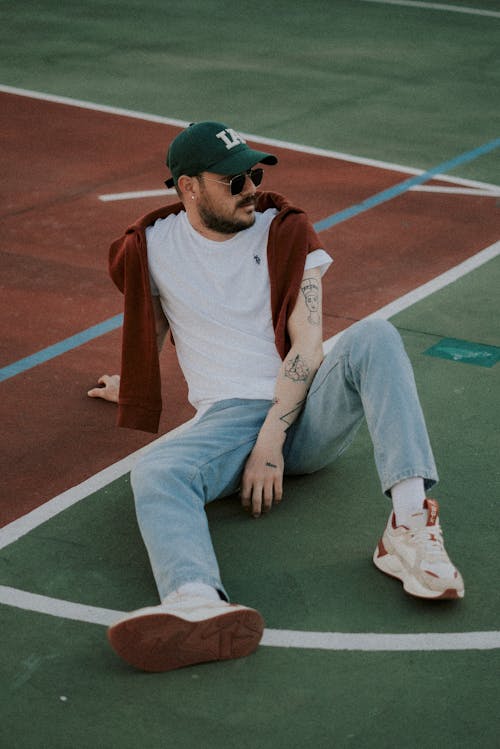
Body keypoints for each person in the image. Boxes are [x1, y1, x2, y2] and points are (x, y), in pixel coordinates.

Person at [88, 121, 464, 673]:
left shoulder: (285, 231)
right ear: (189, 187)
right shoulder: (153, 247)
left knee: (374, 335)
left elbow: (309, 346)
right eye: (233, 180)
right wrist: (135, 382)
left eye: (254, 174)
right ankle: (195, 600)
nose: (250, 188)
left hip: (306, 412)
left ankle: (407, 527)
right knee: (155, 472)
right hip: (229, 417)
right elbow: (156, 322)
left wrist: (273, 438)